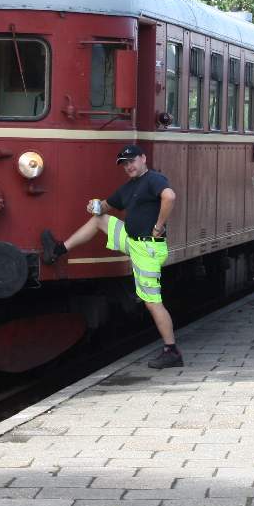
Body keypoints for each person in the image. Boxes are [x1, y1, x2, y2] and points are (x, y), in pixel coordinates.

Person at [40, 145, 182, 369]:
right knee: (100, 220)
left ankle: (171, 351)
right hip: (133, 241)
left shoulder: (154, 179)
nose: (129, 167)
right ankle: (58, 250)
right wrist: (94, 205)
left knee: (153, 303)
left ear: (143, 159)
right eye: (125, 164)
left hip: (148, 248)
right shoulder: (129, 188)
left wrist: (158, 226)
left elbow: (170, 196)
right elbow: (105, 206)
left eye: (132, 161)